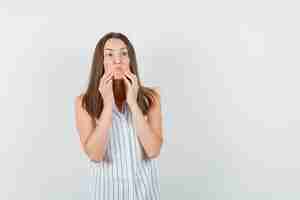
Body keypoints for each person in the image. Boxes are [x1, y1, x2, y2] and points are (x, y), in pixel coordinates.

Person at [74, 32, 164, 200]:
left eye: (124, 53)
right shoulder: (84, 103)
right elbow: (95, 154)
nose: (118, 60)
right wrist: (107, 105)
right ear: (100, 62)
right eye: (109, 54)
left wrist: (133, 103)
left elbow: (153, 150)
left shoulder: (151, 98)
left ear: (131, 60)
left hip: (146, 195)